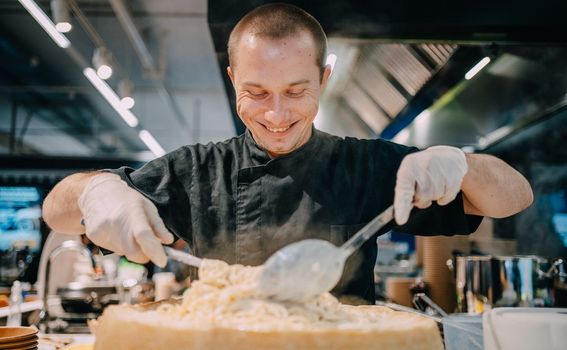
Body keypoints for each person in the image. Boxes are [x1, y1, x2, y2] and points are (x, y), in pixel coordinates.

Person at [42, 3, 533, 304]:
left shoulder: (368, 167)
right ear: (233, 80)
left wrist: (464, 165)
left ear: (324, 79)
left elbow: (515, 197)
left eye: (296, 91)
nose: (276, 115)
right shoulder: (195, 170)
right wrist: (96, 191)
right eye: (256, 92)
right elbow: (55, 212)